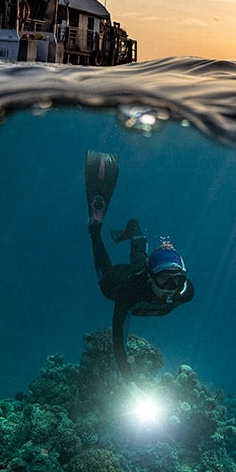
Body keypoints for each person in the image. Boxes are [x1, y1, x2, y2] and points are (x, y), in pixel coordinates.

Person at [84, 151, 195, 382]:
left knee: (139, 259)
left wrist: (169, 280)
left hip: (142, 270)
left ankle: (135, 230)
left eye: (177, 279)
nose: (171, 286)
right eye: (164, 279)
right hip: (122, 278)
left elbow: (168, 279)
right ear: (151, 277)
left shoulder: (185, 292)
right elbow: (119, 338)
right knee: (105, 280)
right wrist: (130, 381)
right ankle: (95, 231)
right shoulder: (129, 293)